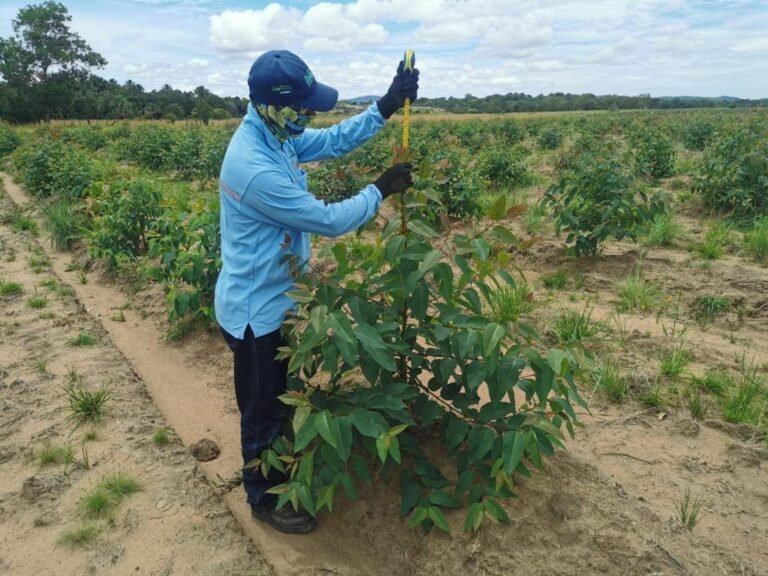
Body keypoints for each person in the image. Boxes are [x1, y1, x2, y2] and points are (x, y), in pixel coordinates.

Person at [215, 50, 419, 534]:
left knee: (276, 397)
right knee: (263, 408)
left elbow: (328, 141)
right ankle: (263, 497)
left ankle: (275, 467)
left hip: (276, 300)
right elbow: (326, 220)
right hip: (256, 313)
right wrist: (379, 191)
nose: (309, 115)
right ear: (274, 106)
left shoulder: (275, 135)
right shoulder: (255, 167)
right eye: (302, 107)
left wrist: (384, 106)